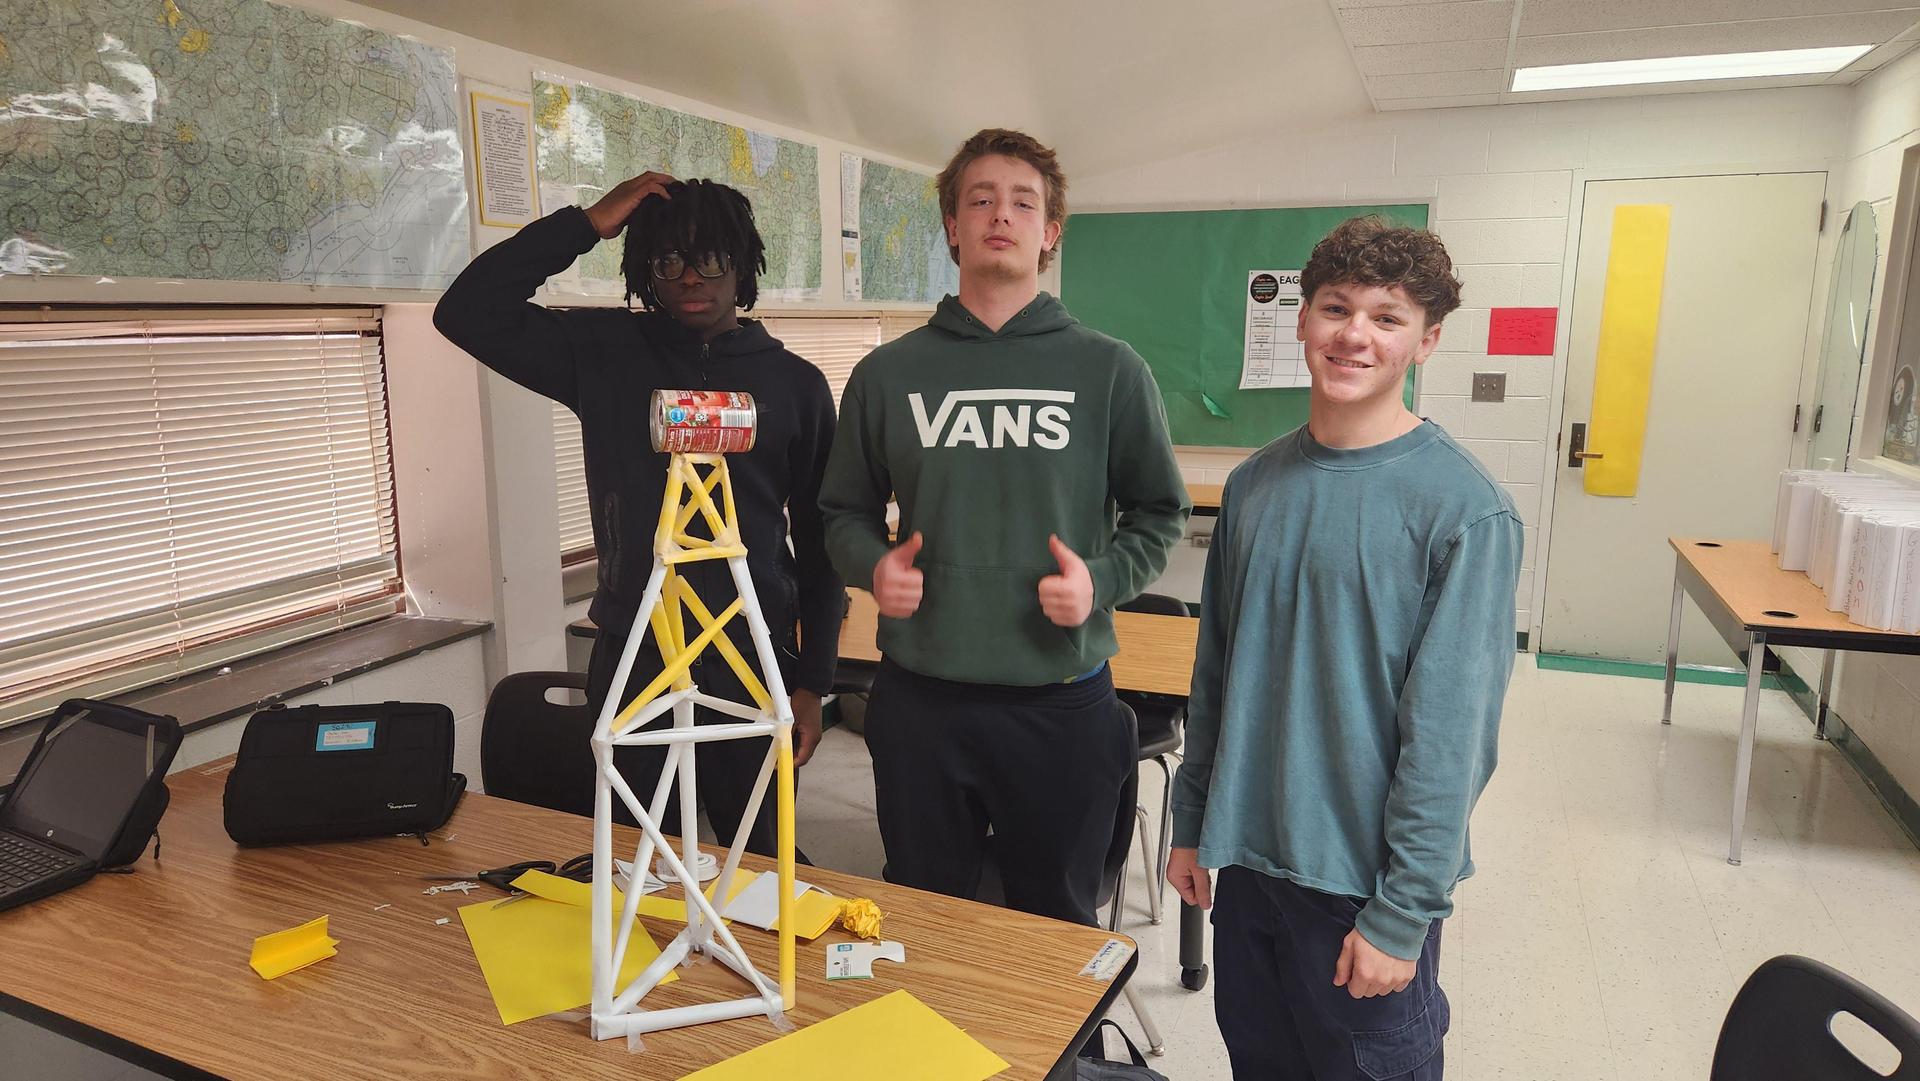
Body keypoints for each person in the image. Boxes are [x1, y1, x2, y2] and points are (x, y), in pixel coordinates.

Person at [1166, 216, 1523, 1079]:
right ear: (1301, 320)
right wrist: (1191, 820)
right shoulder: (1253, 486)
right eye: (1336, 308)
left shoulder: (1465, 510)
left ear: (1426, 340)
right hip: (1247, 869)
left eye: (1387, 317)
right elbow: (1216, 673)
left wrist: (1402, 913)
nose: (1354, 334)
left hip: (1361, 887)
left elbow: (1450, 739)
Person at [819, 129, 1190, 925]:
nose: (1001, 214)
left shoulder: (1108, 368)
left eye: (1024, 202)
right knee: (924, 919)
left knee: (1054, 926)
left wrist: (1102, 579)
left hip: (1059, 701)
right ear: (951, 225)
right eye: (979, 199)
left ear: (1051, 231)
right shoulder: (889, 374)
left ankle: (1054, 1060)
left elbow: (1161, 513)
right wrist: (872, 568)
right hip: (921, 701)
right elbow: (840, 513)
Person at [434, 173, 841, 857]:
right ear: (644, 267)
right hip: (638, 653)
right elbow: (467, 311)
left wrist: (814, 683)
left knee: (762, 854)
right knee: (640, 856)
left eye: (710, 257)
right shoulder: (603, 353)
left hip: (751, 653)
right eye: (667, 259)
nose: (689, 277)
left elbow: (822, 544)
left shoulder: (795, 384)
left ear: (742, 264)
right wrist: (587, 223)